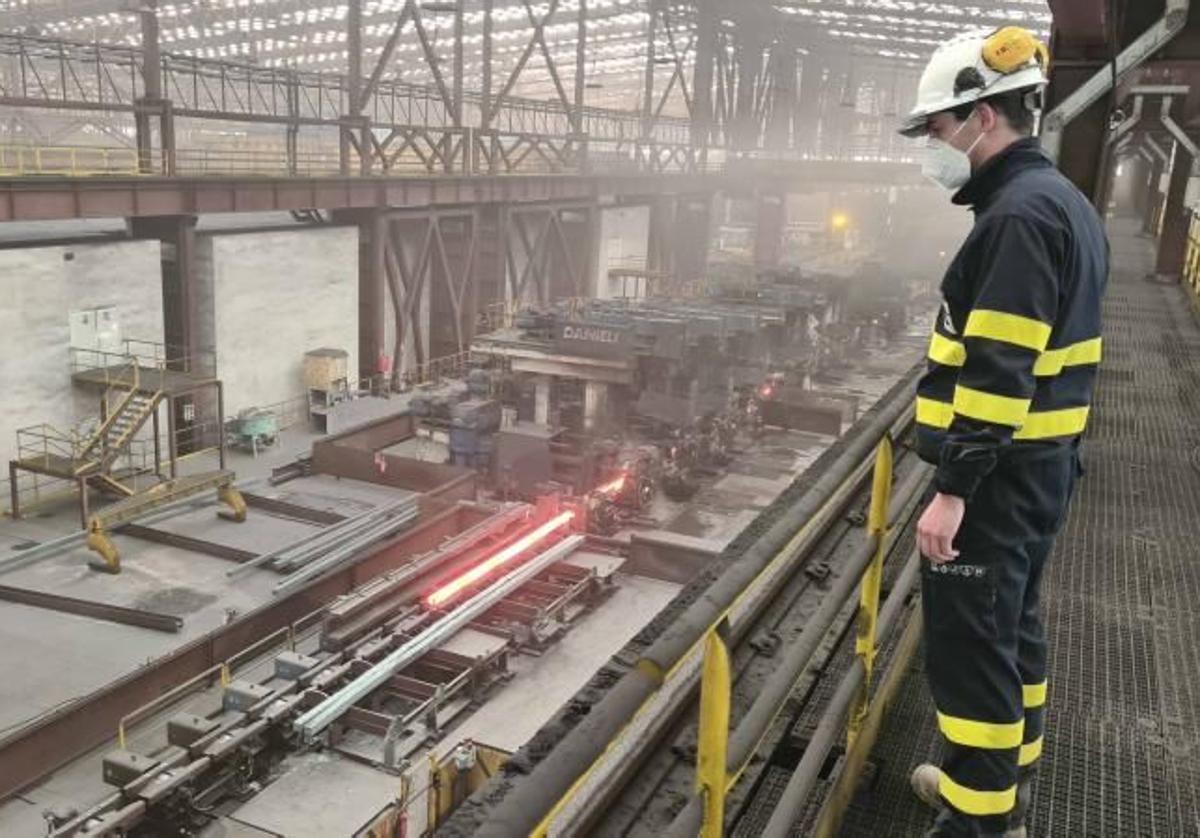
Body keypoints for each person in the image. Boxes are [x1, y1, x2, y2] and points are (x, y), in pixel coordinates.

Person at [898, 27, 1110, 838]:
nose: (932, 147)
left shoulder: (1017, 219)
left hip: (994, 485)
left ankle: (978, 824)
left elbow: (998, 370)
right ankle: (998, 789)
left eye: (936, 129)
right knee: (1013, 632)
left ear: (981, 117)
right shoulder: (1062, 202)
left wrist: (951, 491)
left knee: (973, 658)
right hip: (1040, 474)